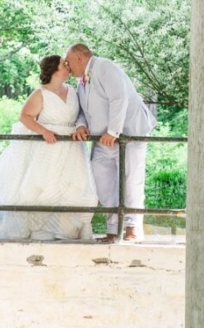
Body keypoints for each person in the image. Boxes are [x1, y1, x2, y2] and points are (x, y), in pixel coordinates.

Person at [0, 52, 96, 241]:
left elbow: (80, 114)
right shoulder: (40, 93)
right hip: (48, 147)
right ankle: (39, 232)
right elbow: (24, 117)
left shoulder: (73, 91)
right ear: (54, 70)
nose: (67, 66)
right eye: (63, 64)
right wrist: (44, 131)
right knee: (42, 188)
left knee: (72, 188)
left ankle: (65, 231)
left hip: (71, 147)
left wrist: (79, 126)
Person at [63, 42, 155, 242]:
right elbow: (82, 110)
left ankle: (132, 227)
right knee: (102, 181)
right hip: (101, 140)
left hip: (129, 134)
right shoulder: (81, 82)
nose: (67, 68)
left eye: (68, 62)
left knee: (131, 179)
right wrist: (80, 125)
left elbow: (119, 98)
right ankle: (113, 229)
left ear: (80, 57)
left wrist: (114, 131)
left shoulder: (105, 67)